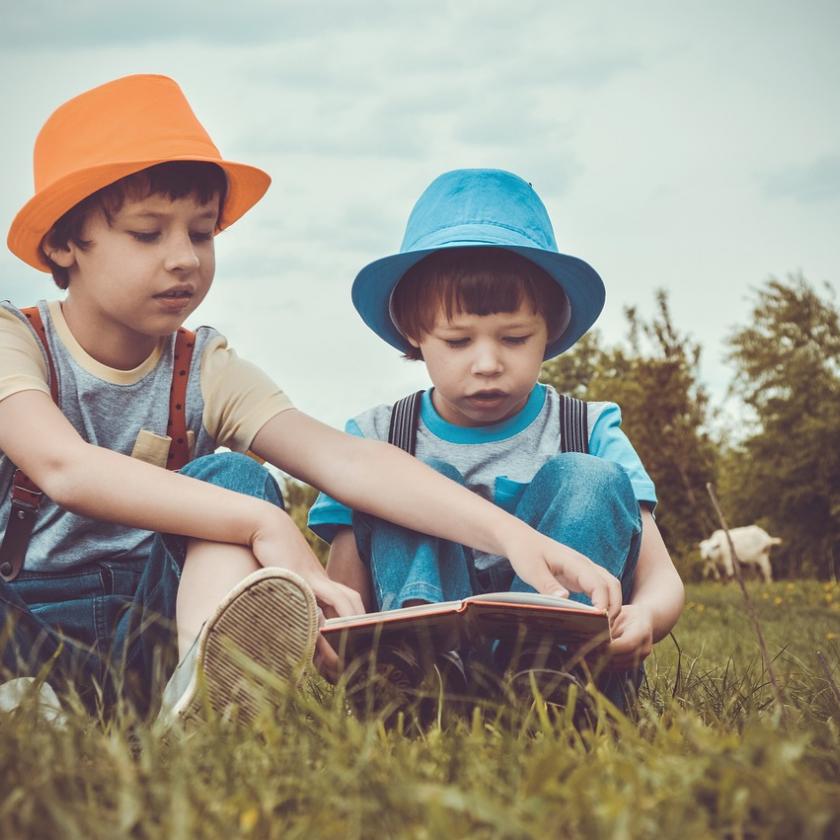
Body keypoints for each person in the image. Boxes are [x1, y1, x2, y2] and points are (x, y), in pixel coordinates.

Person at [0, 78, 622, 724]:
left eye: (203, 234)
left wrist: (512, 535)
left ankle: (202, 708)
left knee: (235, 478)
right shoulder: (16, 341)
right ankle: (35, 704)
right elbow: (63, 468)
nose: (184, 259)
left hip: (151, 632)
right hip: (20, 624)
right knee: (241, 504)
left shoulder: (204, 366)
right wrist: (263, 523)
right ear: (63, 244)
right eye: (148, 234)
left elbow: (350, 463)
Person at [309, 168, 685, 710]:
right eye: (458, 341)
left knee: (586, 476)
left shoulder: (587, 428)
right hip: (423, 678)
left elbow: (663, 579)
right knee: (407, 481)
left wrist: (645, 617)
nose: (487, 364)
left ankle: (552, 675)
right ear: (415, 333)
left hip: (573, 668)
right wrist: (338, 640)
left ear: (550, 328)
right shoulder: (377, 438)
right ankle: (418, 673)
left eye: (514, 338)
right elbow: (345, 597)